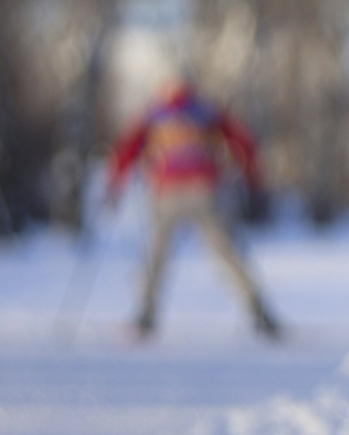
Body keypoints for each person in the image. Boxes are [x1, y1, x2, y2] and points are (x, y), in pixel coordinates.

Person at [107, 77, 281, 340]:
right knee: (227, 251)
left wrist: (114, 184)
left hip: (166, 191)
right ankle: (259, 310)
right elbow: (243, 142)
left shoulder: (155, 114)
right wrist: (253, 180)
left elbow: (127, 149)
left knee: (156, 254)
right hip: (204, 190)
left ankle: (145, 314)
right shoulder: (205, 111)